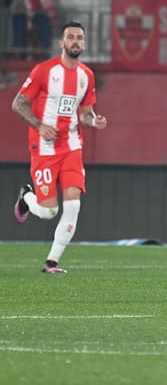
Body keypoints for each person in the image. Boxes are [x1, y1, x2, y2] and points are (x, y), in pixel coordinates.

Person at [12, 21, 108, 274]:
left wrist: (94, 121)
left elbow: (85, 114)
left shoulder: (87, 76)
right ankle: (26, 197)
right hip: (44, 147)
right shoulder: (45, 70)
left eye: (79, 37)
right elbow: (18, 103)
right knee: (49, 211)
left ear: (84, 43)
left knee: (74, 204)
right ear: (61, 42)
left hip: (72, 146)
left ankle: (52, 262)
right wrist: (39, 125)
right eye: (71, 37)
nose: (75, 41)